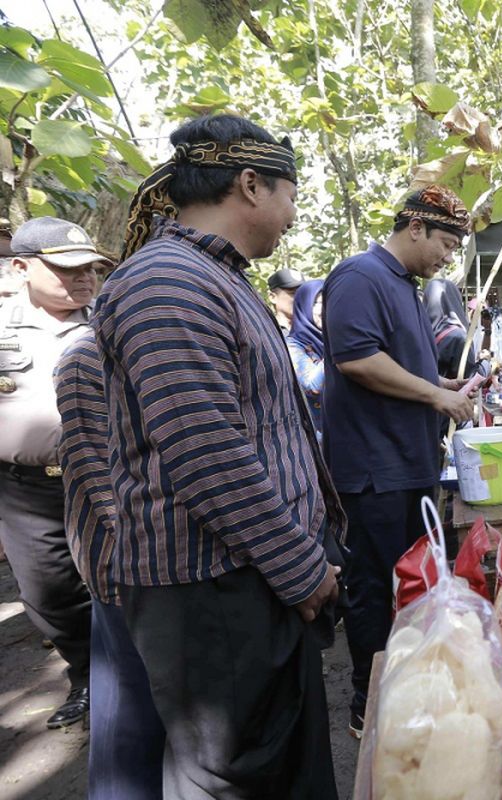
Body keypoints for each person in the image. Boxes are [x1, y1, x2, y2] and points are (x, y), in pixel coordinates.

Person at [93, 113, 343, 798]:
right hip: (212, 591)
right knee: (232, 777)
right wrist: (303, 569)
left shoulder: (213, 277)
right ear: (252, 185)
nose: (293, 216)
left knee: (278, 767)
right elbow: (207, 455)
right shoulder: (168, 282)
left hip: (245, 574)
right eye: (292, 196)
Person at [321, 184, 475, 736]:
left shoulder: (406, 287)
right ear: (415, 228)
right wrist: (437, 397)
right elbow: (358, 360)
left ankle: (407, 684)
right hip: (373, 472)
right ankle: (370, 700)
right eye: (446, 244)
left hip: (407, 466)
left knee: (411, 585)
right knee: (372, 588)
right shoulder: (360, 276)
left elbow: (400, 366)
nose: (447, 257)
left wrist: (444, 383)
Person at [0, 216, 105, 729]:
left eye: (90, 268)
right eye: (67, 269)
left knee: (120, 582)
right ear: (21, 268)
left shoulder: (110, 319)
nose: (83, 278)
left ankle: (128, 681)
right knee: (47, 593)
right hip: (23, 492)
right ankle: (86, 674)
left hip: (105, 482)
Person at [54, 328, 166, 799]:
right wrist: (148, 564)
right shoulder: (86, 357)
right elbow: (101, 478)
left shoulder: (148, 343)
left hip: (154, 565)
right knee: (129, 723)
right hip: (126, 569)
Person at [286, 278, 326, 438]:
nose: (326, 309)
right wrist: (337, 345)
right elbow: (312, 386)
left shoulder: (326, 340)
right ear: (304, 306)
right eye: (320, 303)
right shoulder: (293, 345)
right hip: (319, 440)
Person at [423, 277, 483, 381]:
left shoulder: (419, 333)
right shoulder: (459, 338)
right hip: (447, 395)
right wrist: (485, 364)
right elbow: (468, 381)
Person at [268, 266, 303, 331]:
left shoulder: (313, 330)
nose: (299, 298)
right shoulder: (267, 330)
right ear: (273, 297)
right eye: (293, 293)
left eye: (303, 293)